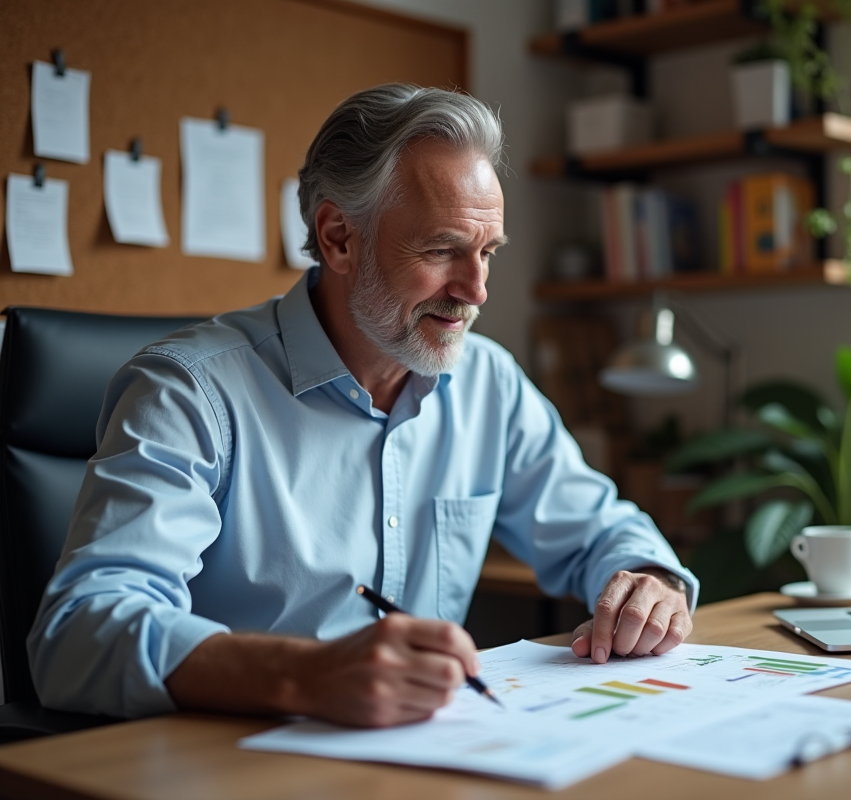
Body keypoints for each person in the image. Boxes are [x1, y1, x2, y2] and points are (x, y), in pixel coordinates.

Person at [28, 84, 697, 727]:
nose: (477, 291)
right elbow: (79, 634)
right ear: (338, 238)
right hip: (233, 762)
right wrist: (306, 676)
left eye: (487, 252)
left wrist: (647, 584)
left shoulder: (488, 381)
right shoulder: (189, 392)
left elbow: (601, 531)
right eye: (442, 250)